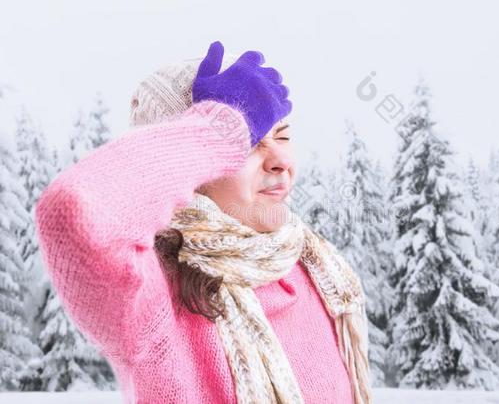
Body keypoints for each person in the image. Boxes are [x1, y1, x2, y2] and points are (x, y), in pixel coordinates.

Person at [34, 40, 372, 403]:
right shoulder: (151, 301)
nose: (280, 161)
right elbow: (72, 210)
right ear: (193, 159)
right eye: (249, 140)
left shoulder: (317, 271)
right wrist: (217, 129)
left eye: (283, 135)